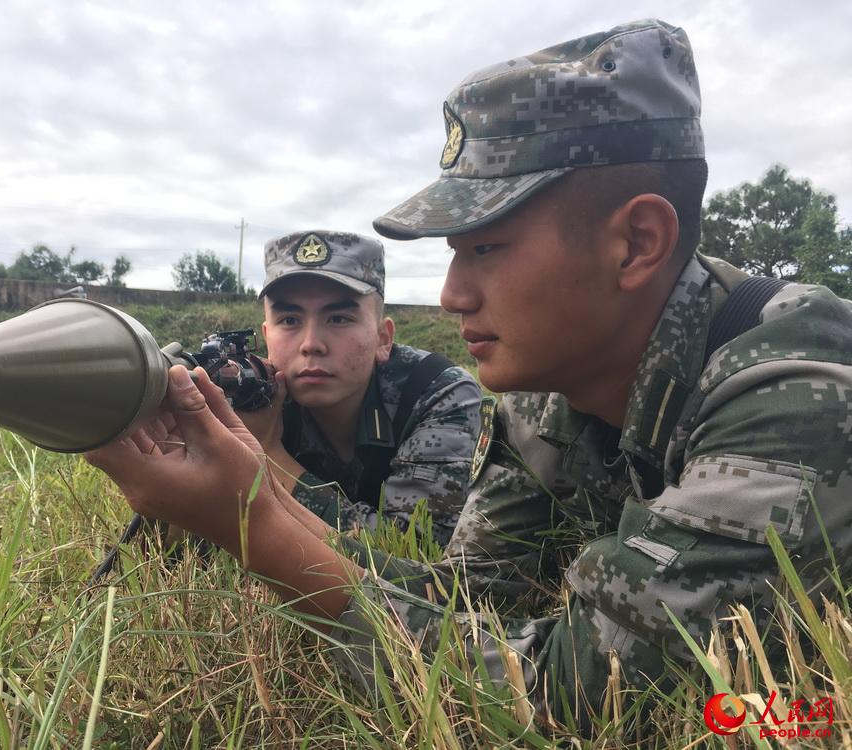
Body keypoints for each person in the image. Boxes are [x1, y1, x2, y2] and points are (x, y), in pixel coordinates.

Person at [85, 18, 852, 729]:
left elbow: (579, 699)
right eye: (454, 254)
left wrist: (253, 530)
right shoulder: (552, 400)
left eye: (485, 248)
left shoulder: (796, 390)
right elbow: (463, 595)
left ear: (637, 243)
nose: (452, 294)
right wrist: (254, 484)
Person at [245, 230, 483, 546]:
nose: (311, 344)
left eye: (339, 318)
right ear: (266, 337)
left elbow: (414, 549)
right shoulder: (253, 398)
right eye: (289, 320)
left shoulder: (435, 391)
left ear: (383, 339)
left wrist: (269, 455)